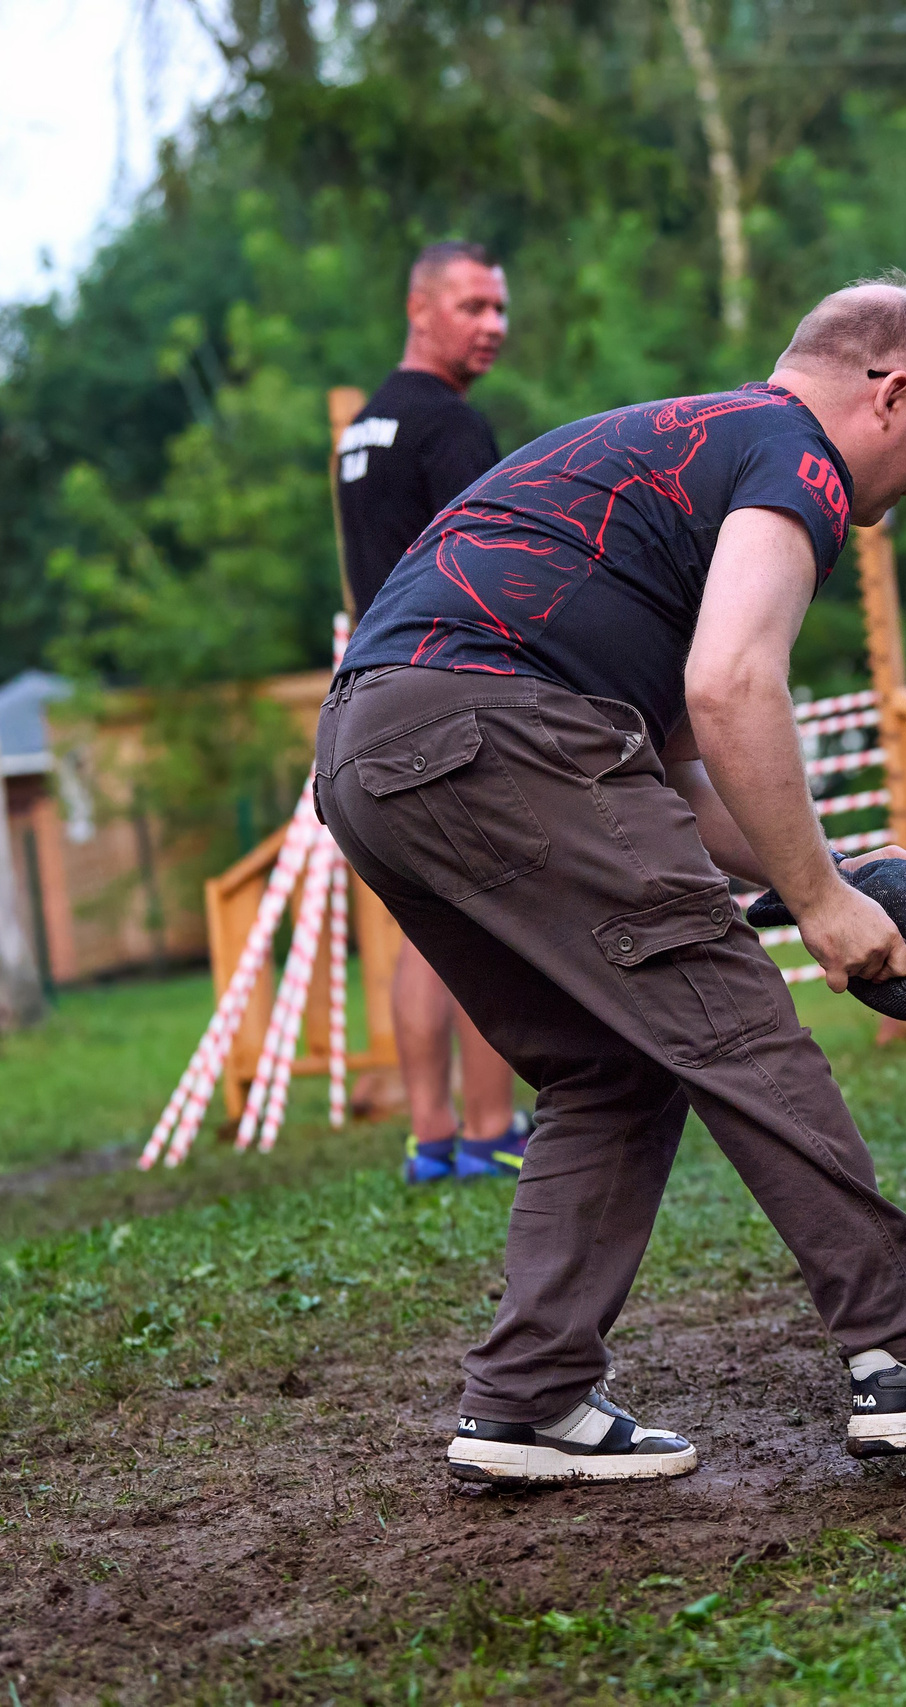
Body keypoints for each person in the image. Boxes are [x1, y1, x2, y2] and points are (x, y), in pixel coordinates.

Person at [319, 272, 906, 1484]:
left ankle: (528, 1400)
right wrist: (817, 905)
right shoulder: (795, 455)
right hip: (498, 728)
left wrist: (837, 872)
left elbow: (669, 776)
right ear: (889, 392)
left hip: (372, 754)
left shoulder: (679, 456)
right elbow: (731, 687)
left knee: (610, 1064)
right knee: (735, 1024)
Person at [335, 240, 527, 1184]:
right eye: (471, 306)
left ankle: (432, 1135)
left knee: (429, 924)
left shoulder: (362, 427)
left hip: (371, 696)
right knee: (492, 918)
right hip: (448, 694)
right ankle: (490, 1130)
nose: (493, 325)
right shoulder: (448, 425)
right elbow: (486, 571)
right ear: (419, 309)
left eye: (499, 308)